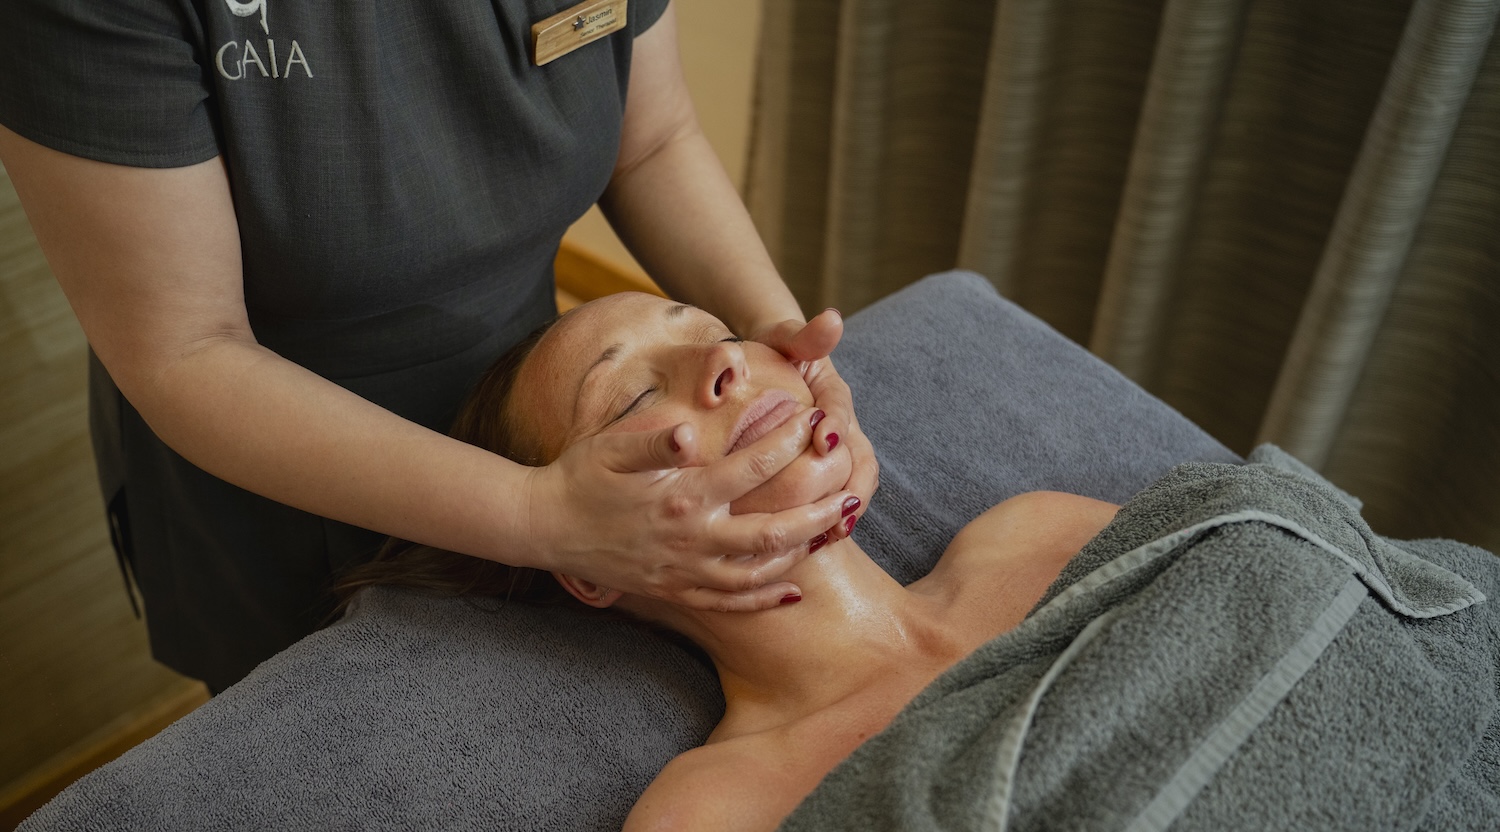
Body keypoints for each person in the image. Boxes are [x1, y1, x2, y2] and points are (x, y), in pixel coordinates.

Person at [0, 1, 876, 692]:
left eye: (700, 327)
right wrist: (540, 517)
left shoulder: (1011, 544)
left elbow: (652, 141)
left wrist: (779, 341)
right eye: (640, 397)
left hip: (535, 406)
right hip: (277, 472)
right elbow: (184, 347)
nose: (720, 360)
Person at [336, 291, 1121, 832]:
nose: (719, 360)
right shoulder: (705, 824)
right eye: (633, 395)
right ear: (587, 566)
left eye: (716, 330)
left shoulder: (1039, 536)